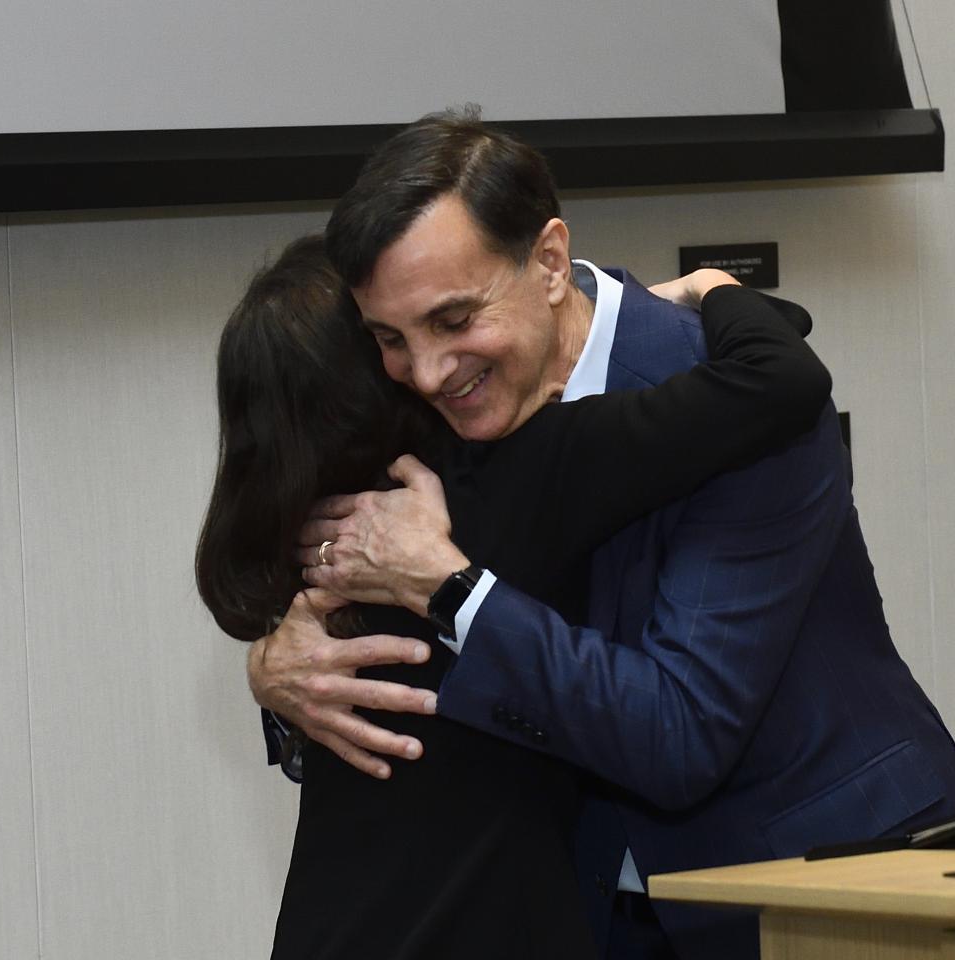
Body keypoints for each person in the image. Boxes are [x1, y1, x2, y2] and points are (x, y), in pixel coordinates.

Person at [250, 109, 955, 960]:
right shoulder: (437, 403)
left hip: (830, 889)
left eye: (453, 322)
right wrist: (279, 666)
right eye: (390, 339)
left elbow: (680, 731)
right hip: (595, 912)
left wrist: (445, 585)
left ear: (550, 263)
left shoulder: (728, 396)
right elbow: (338, 578)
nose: (427, 371)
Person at [196, 233, 835, 958]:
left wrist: (265, 667)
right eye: (393, 337)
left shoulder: (312, 545)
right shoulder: (514, 481)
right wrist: (710, 286)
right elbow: (779, 377)